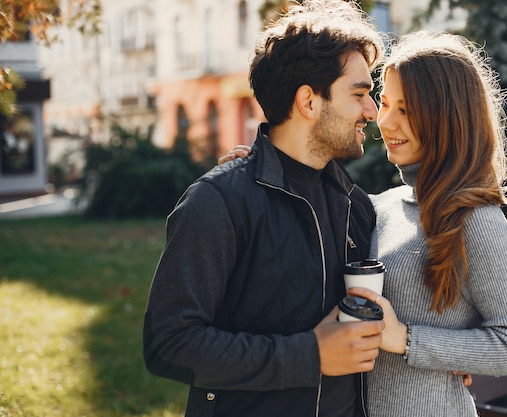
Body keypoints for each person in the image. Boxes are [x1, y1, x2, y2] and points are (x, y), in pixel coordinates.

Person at [220, 30, 507, 417]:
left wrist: (406, 339)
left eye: (406, 110)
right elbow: (316, 211)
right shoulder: (383, 206)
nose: (385, 121)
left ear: (448, 117)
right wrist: (264, 171)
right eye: (386, 103)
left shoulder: (475, 219)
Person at [142, 1, 387, 416]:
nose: (372, 111)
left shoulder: (355, 206)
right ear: (308, 102)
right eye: (360, 94)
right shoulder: (218, 202)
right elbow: (170, 343)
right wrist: (309, 355)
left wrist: (447, 360)